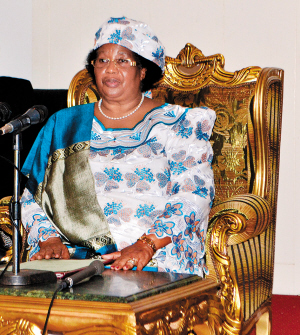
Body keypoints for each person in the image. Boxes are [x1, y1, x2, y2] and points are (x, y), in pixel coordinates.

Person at [21, 17, 216, 277]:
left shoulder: (178, 124)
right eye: (102, 60)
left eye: (123, 60)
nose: (110, 69)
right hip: (73, 256)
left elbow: (195, 195)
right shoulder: (64, 124)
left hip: (152, 256)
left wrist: (146, 245)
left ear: (143, 70)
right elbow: (32, 196)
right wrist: (50, 241)